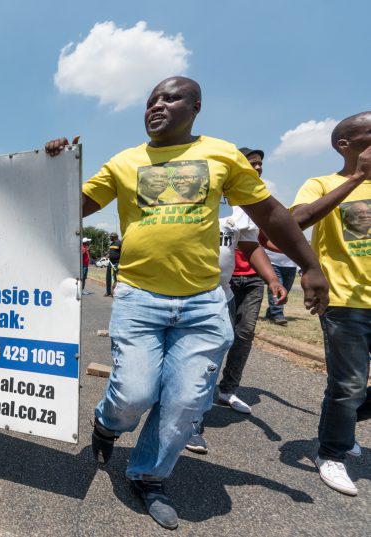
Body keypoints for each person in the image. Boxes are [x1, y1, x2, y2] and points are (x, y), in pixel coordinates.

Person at [45, 76, 328, 529]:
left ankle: (149, 475)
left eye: (170, 97)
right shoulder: (125, 161)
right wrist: (54, 168)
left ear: (195, 106)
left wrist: (310, 266)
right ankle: (106, 424)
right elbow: (70, 206)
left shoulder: (222, 154)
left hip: (201, 303)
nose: (156, 104)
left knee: (184, 402)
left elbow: (270, 213)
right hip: (140, 297)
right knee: (134, 392)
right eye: (151, 99)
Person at [288, 111, 371, 496]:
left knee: (349, 393)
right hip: (346, 300)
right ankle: (332, 452)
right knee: (348, 384)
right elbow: (295, 221)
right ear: (346, 145)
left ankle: (344, 422)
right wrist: (357, 178)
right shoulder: (321, 183)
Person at [185, 152, 288, 454]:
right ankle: (169, 405)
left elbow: (249, 245)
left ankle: (193, 420)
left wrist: (272, 278)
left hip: (222, 296)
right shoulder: (187, 200)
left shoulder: (238, 208)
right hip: (185, 294)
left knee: (212, 358)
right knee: (187, 360)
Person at [261, 239, 298, 325]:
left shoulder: (295, 230)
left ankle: (271, 313)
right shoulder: (271, 228)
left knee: (285, 292)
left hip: (291, 264)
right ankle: (278, 314)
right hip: (273, 263)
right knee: (276, 290)